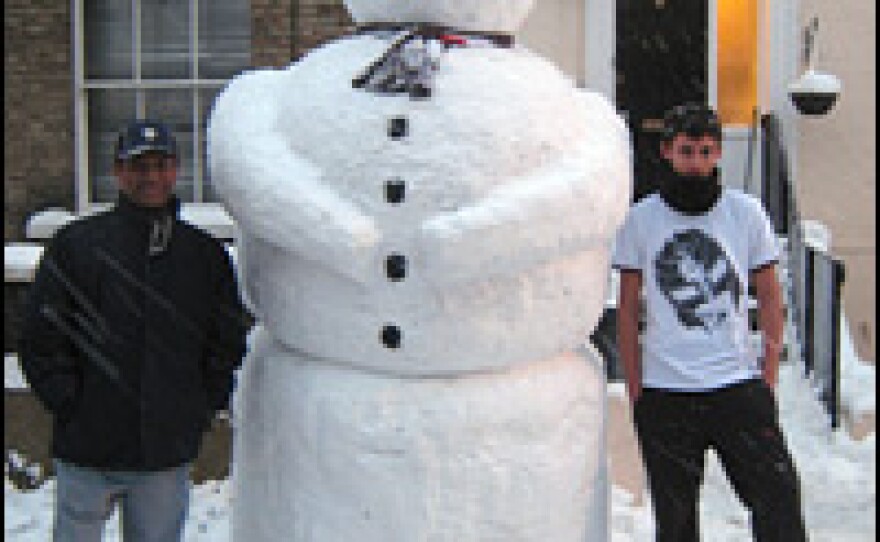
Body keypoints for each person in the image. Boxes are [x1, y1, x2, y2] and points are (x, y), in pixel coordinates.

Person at [20, 120, 249, 541]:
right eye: (139, 166)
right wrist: (69, 401)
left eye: (161, 165)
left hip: (164, 453)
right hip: (87, 450)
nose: (151, 177)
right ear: (119, 172)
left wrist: (198, 407)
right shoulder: (76, 245)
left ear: (176, 170)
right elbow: (40, 336)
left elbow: (226, 341)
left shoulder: (203, 256)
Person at [613, 103, 808, 541]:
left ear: (719, 153)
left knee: (777, 498)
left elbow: (769, 295)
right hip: (667, 391)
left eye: (705, 151)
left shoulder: (745, 214)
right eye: (687, 151)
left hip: (736, 385)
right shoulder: (641, 220)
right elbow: (627, 307)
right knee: (676, 519)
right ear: (667, 151)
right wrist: (636, 384)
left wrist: (768, 372)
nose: (696, 163)